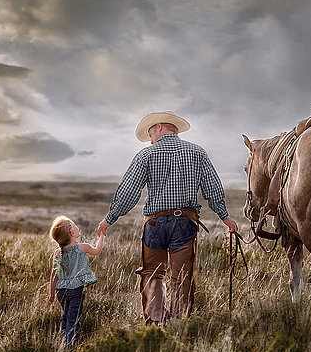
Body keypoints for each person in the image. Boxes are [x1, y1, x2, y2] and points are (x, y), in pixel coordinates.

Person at [97, 111, 238, 326]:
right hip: (185, 223)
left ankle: (155, 322)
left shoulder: (146, 155)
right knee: (182, 276)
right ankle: (179, 323)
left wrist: (110, 218)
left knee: (153, 273)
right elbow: (213, 188)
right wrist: (225, 217)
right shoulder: (197, 153)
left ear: (160, 127)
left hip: (154, 223)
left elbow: (128, 190)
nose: (150, 137)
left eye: (150, 131)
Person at [49, 215, 104, 346]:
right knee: (73, 319)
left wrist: (51, 294)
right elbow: (96, 251)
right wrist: (102, 236)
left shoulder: (58, 252)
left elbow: (53, 276)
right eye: (75, 226)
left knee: (65, 316)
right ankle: (69, 345)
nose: (77, 227)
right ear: (72, 233)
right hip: (75, 291)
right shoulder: (82, 248)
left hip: (60, 292)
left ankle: (62, 340)